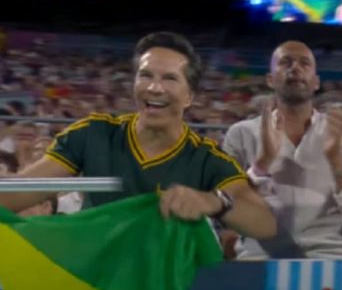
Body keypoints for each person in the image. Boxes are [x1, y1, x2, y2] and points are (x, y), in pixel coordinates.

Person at [0, 32, 276, 241]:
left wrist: (214, 202)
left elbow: (264, 223)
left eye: (169, 78)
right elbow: (21, 191)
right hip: (96, 289)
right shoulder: (93, 134)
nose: (154, 88)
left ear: (189, 96)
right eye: (145, 76)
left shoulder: (206, 158)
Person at [223, 40, 342, 259]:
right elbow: (226, 210)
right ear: (270, 79)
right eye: (285, 62)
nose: (295, 68)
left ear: (316, 82)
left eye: (304, 63)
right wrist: (262, 164)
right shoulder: (240, 134)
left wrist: (337, 163)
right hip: (259, 257)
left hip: (330, 256)